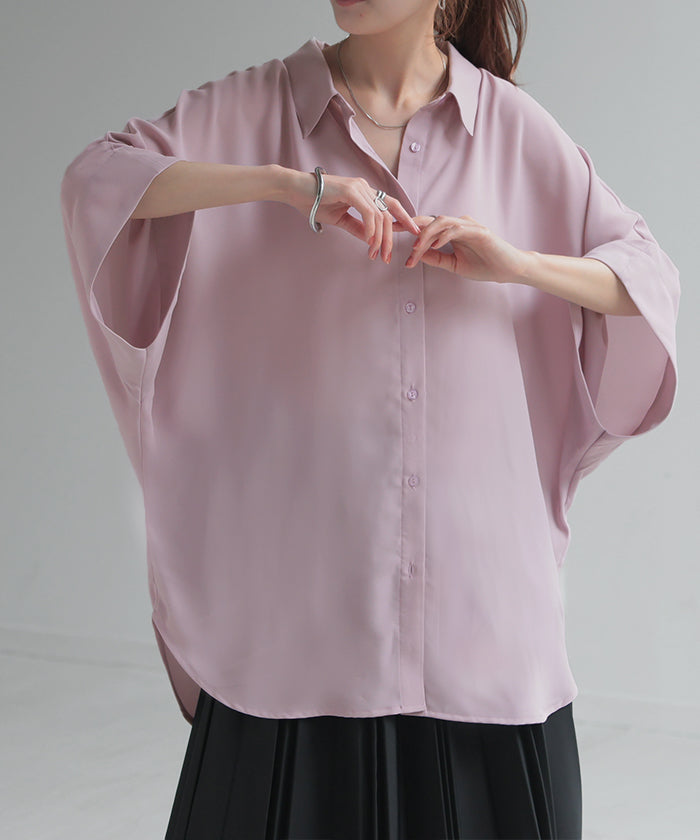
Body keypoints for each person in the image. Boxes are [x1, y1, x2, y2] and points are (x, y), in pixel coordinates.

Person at [59, 1, 680, 838]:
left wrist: (519, 265)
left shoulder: (513, 130)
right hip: (298, 624)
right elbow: (99, 178)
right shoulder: (253, 107)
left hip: (479, 616)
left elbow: (647, 274)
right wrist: (287, 185)